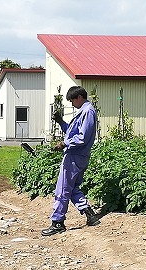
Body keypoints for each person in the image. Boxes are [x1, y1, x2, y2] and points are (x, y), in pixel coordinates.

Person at [42, 86, 100, 236]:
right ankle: (90, 215)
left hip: (75, 156)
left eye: (72, 100)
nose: (72, 104)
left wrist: (64, 144)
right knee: (72, 188)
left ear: (79, 97)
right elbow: (72, 133)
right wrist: (61, 122)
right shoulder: (84, 112)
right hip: (78, 156)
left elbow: (82, 137)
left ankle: (57, 222)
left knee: (62, 189)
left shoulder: (87, 112)